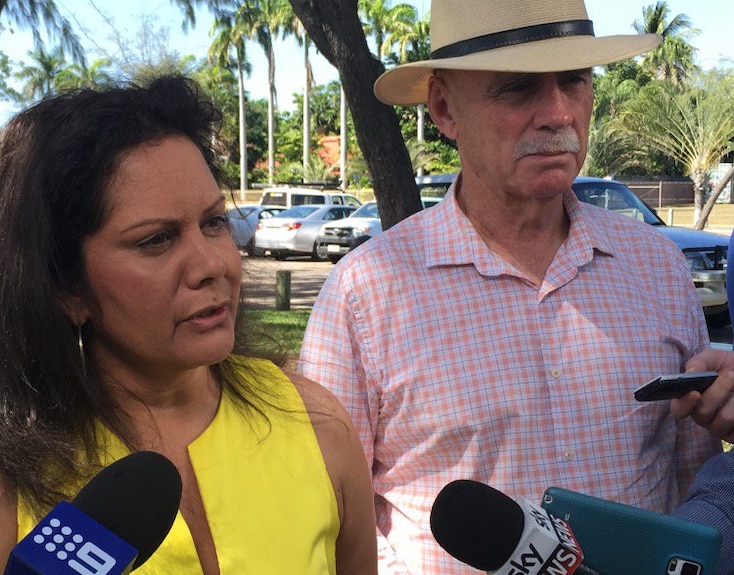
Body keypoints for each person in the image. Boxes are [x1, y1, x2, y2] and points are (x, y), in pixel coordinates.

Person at [0, 75, 377, 575]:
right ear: (66, 288)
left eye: (213, 222)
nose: (212, 265)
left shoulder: (315, 422)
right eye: (156, 240)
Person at [298, 0, 732, 572]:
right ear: (445, 108)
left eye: (574, 81)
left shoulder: (656, 266)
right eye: (518, 88)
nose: (557, 113)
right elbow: (325, 516)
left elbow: (689, 480)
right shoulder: (364, 294)